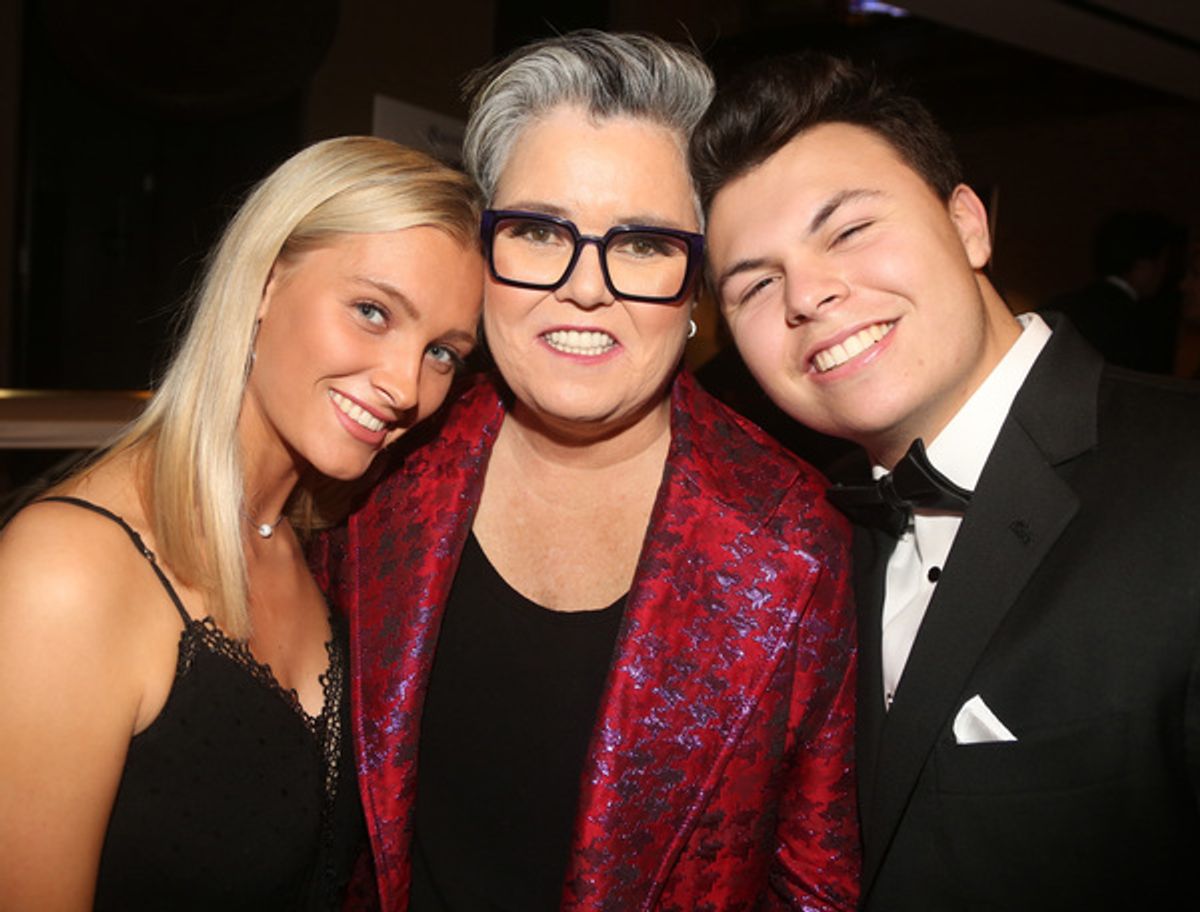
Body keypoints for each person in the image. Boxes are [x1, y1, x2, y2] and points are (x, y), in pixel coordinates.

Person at [315, 31, 859, 912]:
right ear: (482, 249)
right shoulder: (380, 468)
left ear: (698, 286)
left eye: (643, 244)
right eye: (538, 231)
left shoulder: (800, 544)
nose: (586, 286)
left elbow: (817, 889)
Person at [692, 52, 1200, 912]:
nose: (808, 295)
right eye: (755, 284)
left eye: (848, 230)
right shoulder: (799, 539)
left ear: (968, 223)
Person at [0, 137, 484, 911]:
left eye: (443, 353)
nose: (405, 385)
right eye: (372, 312)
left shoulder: (325, 549)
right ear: (264, 282)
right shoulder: (69, 571)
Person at [1047, 209, 1184, 373]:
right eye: (1162, 263)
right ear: (1142, 265)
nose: (1164, 273)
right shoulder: (1148, 325)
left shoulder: (1060, 308)